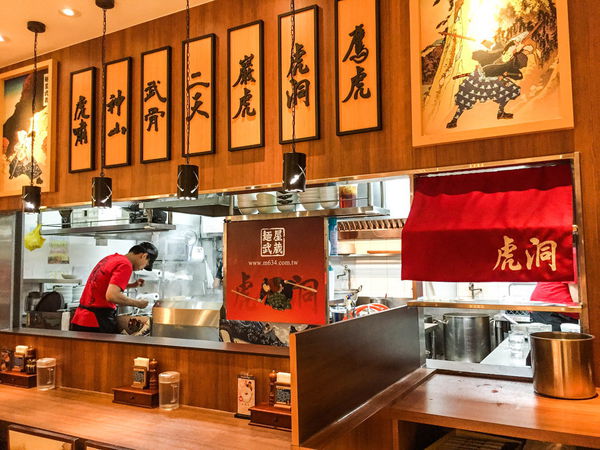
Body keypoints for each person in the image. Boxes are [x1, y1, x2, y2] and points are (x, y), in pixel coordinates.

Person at [71, 242, 159, 333]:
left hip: (81, 319)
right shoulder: (126, 265)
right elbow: (112, 296)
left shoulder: (111, 258)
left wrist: (133, 285)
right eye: (146, 264)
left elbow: (105, 285)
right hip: (96, 322)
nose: (142, 268)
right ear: (144, 256)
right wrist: (138, 303)